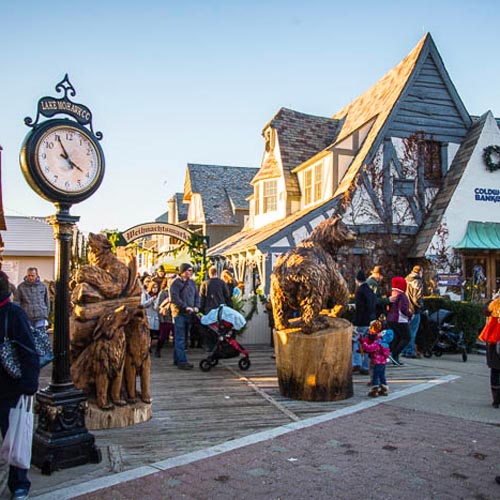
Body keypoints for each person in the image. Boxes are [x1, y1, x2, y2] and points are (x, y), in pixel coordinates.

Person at [0, 270, 40, 500]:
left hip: (10, 388)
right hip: (8, 387)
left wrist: (29, 384)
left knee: (14, 437)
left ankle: (19, 484)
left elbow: (28, 352)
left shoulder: (13, 314)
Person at [169, 263, 200, 370]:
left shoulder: (192, 283)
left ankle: (176, 359)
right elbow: (174, 298)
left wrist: (196, 306)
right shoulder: (175, 283)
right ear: (182, 272)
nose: (190, 272)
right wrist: (185, 306)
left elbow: (197, 296)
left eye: (191, 270)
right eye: (188, 270)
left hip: (190, 313)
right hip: (179, 313)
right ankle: (182, 361)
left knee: (184, 337)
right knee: (180, 337)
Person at [478, 291, 500, 408]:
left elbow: (485, 311)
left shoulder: (494, 304)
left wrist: (493, 300)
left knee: (495, 370)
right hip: (494, 340)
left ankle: (496, 399)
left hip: (494, 340)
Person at [352, 270, 376, 375]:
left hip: (361, 322)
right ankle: (365, 366)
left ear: (357, 280)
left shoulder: (360, 292)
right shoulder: (369, 290)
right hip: (369, 320)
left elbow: (359, 309)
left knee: (356, 342)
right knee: (367, 344)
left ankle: (356, 363)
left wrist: (354, 322)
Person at [362, 319, 394, 397]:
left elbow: (370, 348)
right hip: (383, 362)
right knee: (382, 375)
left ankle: (375, 390)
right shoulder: (385, 342)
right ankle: (384, 389)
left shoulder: (377, 342)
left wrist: (363, 343)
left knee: (375, 376)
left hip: (376, 361)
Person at [14, 267, 50, 332]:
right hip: (27, 317)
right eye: (29, 275)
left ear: (36, 275)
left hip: (40, 317)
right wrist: (19, 315)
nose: (30, 277)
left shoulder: (43, 286)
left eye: (32, 275)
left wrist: (46, 313)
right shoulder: (21, 287)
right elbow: (16, 302)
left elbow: (47, 300)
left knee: (40, 337)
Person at [387, 276, 412, 366]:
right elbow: (403, 309)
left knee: (396, 338)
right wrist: (410, 314)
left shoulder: (393, 294)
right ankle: (395, 354)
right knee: (406, 337)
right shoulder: (402, 296)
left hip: (391, 319)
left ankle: (393, 356)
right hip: (400, 320)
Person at [402, 265, 424, 359]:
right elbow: (417, 298)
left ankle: (404, 350)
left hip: (405, 309)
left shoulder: (406, 279)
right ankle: (410, 351)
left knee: (406, 331)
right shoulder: (417, 281)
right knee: (412, 331)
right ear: (420, 272)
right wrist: (420, 305)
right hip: (414, 310)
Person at [155, 276, 175, 357]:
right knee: (163, 335)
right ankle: (158, 350)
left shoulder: (177, 292)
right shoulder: (163, 293)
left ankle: (176, 355)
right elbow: (159, 306)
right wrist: (161, 319)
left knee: (176, 336)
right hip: (166, 317)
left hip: (174, 316)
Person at [141, 281, 160, 353]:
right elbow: (143, 304)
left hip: (155, 318)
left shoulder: (158, 296)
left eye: (156, 287)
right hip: (148, 316)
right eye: (154, 287)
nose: (155, 289)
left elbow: (156, 308)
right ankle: (146, 347)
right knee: (147, 333)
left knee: (152, 334)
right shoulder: (145, 295)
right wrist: (151, 299)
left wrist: (156, 301)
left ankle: (150, 346)